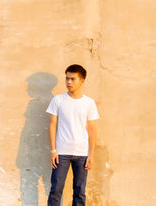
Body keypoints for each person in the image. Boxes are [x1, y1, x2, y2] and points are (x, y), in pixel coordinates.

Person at [46, 64, 100, 206]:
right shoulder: (58, 100)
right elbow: (52, 125)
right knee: (56, 190)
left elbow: (92, 129)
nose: (68, 82)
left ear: (81, 81)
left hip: (82, 153)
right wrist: (53, 151)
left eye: (72, 79)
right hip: (61, 152)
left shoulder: (89, 103)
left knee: (80, 191)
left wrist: (91, 155)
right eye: (67, 79)